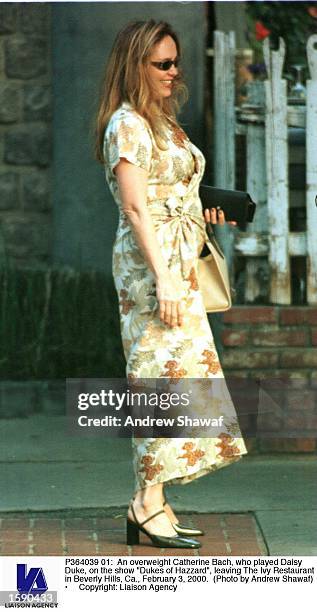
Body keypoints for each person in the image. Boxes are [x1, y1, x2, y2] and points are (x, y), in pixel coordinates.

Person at [95, 19, 248, 549]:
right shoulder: (127, 125)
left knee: (177, 382)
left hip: (177, 259)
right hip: (151, 266)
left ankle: (151, 502)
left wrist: (205, 211)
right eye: (162, 63)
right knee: (160, 382)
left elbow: (169, 192)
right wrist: (162, 279)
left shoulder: (159, 121)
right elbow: (136, 207)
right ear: (135, 64)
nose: (173, 71)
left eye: (175, 62)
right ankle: (146, 504)